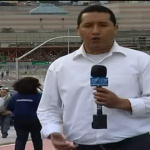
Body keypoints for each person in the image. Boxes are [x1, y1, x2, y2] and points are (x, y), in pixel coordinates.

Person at [37, 5, 150, 150]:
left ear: (115, 28)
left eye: (103, 25)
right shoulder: (60, 66)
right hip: (80, 146)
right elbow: (48, 108)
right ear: (78, 29)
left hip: (133, 144)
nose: (95, 31)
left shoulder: (141, 61)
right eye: (88, 26)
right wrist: (53, 131)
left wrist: (123, 103)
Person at [7, 77, 43, 150]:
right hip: (34, 119)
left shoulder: (15, 96)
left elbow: (9, 107)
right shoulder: (38, 96)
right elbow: (43, 107)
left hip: (19, 119)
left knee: (21, 139)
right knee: (37, 139)